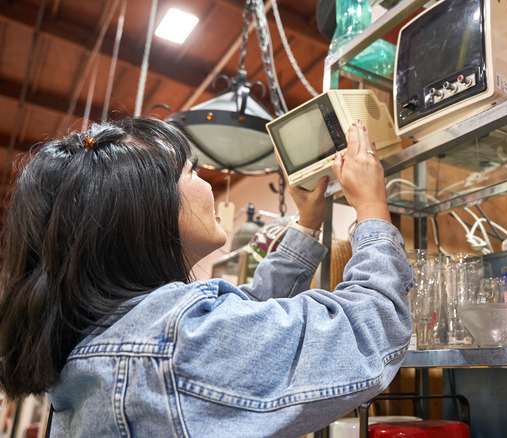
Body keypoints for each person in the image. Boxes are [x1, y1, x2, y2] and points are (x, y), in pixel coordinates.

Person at [0, 116, 414, 437]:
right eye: (191, 171)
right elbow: (367, 328)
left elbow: (247, 312)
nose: (206, 185)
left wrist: (306, 223)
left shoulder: (109, 333)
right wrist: (372, 207)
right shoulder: (176, 343)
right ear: (147, 210)